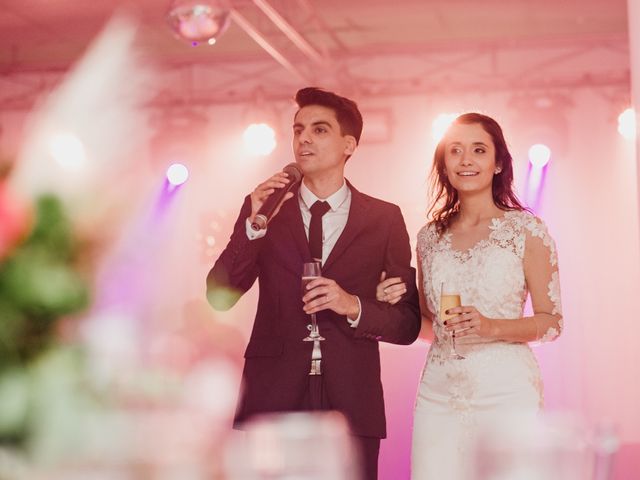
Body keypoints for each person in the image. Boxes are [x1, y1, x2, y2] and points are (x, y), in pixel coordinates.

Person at [206, 87, 421, 480]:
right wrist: (252, 228)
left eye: (319, 130)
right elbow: (219, 295)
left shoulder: (384, 219)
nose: (304, 138)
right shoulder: (265, 208)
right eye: (298, 129)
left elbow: (407, 325)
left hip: (352, 396)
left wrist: (352, 304)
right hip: (273, 392)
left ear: (348, 144)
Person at [377, 112, 563, 479]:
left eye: (478, 150)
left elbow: (552, 323)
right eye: (455, 151)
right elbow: (430, 327)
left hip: (506, 391)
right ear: (444, 166)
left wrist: (491, 326)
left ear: (497, 164)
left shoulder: (526, 230)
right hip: (439, 394)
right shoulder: (429, 237)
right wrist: (395, 306)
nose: (466, 160)